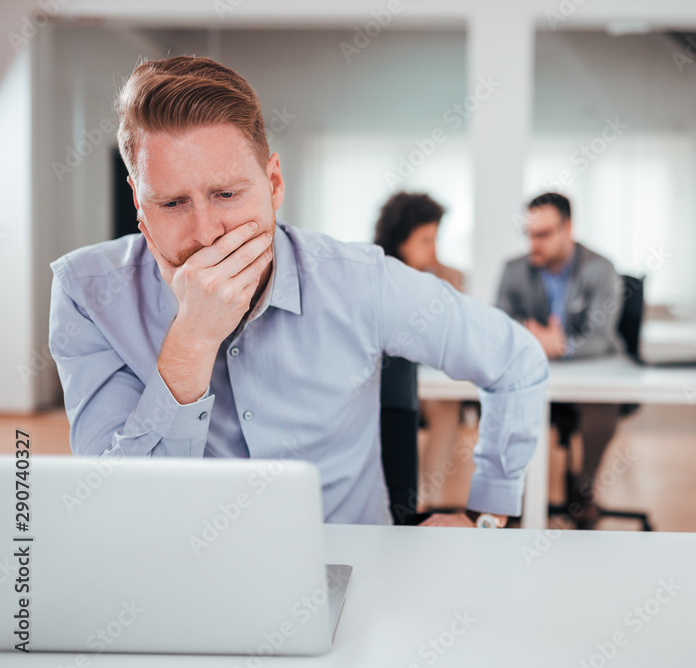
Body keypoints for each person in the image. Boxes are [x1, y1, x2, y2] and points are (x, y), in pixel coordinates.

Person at [47, 56, 548, 530]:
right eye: (173, 202)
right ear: (139, 202)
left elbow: (516, 361)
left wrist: (489, 510)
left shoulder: (359, 281)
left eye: (227, 194)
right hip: (179, 576)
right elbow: (116, 514)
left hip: (351, 568)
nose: (206, 234)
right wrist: (192, 341)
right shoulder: (86, 294)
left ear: (274, 182)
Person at [496, 192, 623, 528]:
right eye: (529, 234)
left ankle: (584, 489)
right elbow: (499, 326)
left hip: (588, 375)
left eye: (543, 235)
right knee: (505, 401)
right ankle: (514, 497)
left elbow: (603, 336)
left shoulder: (601, 269)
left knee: (601, 408)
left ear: (568, 229)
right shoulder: (514, 270)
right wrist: (532, 337)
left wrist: (562, 346)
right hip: (531, 374)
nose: (533, 244)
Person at [373, 192, 467, 510]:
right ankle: (414, 498)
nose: (434, 250)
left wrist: (452, 288)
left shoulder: (433, 278)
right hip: (387, 381)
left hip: (424, 378)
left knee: (446, 405)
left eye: (435, 238)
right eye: (426, 240)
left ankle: (427, 498)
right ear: (401, 241)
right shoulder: (378, 275)